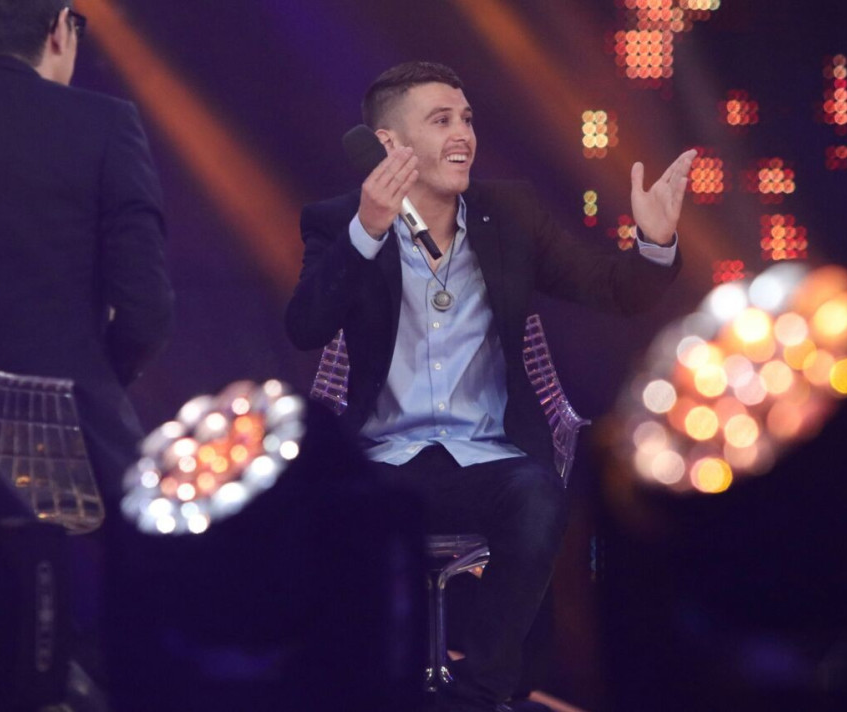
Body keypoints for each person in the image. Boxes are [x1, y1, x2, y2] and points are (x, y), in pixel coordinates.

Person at [285, 61, 695, 711]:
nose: (463, 135)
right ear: (389, 144)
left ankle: (479, 693)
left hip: (488, 458)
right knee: (322, 513)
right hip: (382, 463)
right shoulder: (339, 222)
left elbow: (614, 289)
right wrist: (369, 228)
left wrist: (656, 241)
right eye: (441, 120)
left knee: (538, 496)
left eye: (467, 119)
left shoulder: (510, 215)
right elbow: (306, 326)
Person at [0, 0, 173, 500]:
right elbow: (145, 312)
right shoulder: (106, 124)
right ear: (61, 29)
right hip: (78, 450)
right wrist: (89, 376)